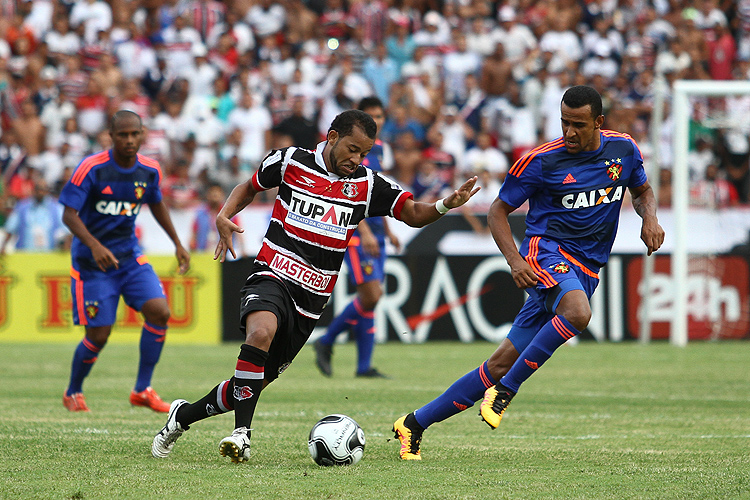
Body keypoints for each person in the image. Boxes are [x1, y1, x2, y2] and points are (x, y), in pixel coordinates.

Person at [151, 109, 479, 463]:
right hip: (272, 273)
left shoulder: (367, 185)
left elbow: (413, 213)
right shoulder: (291, 161)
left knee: (249, 384)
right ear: (333, 137)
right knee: (260, 333)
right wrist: (224, 215)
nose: (357, 159)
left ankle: (182, 416)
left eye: (364, 153)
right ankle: (242, 434)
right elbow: (248, 187)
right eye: (352, 149)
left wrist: (447, 204)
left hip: (311, 300)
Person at [392, 85, 665, 460]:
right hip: (545, 253)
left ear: (598, 122)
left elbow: (643, 191)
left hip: (586, 266)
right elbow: (497, 211)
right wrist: (515, 261)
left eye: (579, 125)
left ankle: (413, 423)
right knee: (577, 313)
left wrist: (649, 218)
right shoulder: (541, 160)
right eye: (564, 122)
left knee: (500, 361)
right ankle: (506, 391)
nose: (569, 132)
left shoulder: (624, 150)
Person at [59, 110, 191, 413]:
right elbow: (69, 214)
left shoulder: (149, 170)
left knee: (160, 312)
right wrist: (93, 245)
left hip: (129, 258)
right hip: (93, 264)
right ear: (111, 136)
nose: (130, 140)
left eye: (135, 134)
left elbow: (156, 202)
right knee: (99, 335)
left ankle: (142, 389)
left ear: (142, 134)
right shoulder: (91, 168)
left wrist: (177, 243)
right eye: (123, 135)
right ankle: (73, 391)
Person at [313, 97, 399, 378]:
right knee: (372, 295)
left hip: (377, 232)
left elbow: (376, 193)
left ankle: (364, 365)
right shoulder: (349, 150)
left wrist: (387, 230)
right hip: (356, 231)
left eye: (381, 115)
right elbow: (348, 193)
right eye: (372, 115)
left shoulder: (380, 149)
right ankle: (326, 341)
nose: (379, 119)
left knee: (370, 298)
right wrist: (363, 230)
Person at [1, 177, 69, 254]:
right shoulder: (22, 207)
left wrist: (66, 247)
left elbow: (67, 231)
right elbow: (10, 228)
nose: (41, 192)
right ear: (34, 190)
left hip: (49, 256)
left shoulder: (56, 208)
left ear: (47, 191)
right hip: (25, 256)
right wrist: (3, 246)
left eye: (43, 189)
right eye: (38, 189)